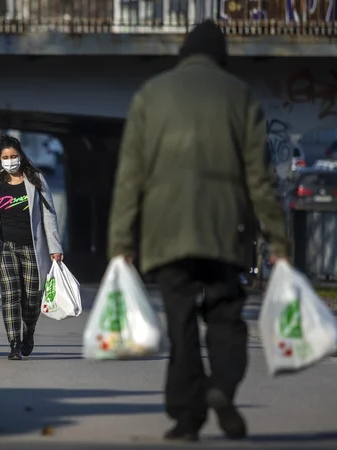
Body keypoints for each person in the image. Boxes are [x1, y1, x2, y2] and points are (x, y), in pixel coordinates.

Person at [107, 20, 291, 442]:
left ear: (184, 52)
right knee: (226, 316)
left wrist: (121, 242)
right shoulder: (240, 96)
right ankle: (220, 388)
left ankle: (186, 418)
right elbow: (260, 179)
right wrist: (278, 240)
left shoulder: (151, 95)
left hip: (166, 233)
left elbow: (130, 177)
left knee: (182, 322)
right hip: (226, 230)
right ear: (220, 55)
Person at [0, 135, 63, 360]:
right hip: (4, 248)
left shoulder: (36, 181)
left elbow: (49, 215)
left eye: (13, 156)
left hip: (32, 248)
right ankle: (14, 343)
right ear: (0, 159)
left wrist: (55, 246)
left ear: (21, 156)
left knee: (33, 297)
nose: (10, 161)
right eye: (5, 157)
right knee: (10, 296)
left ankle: (29, 331)